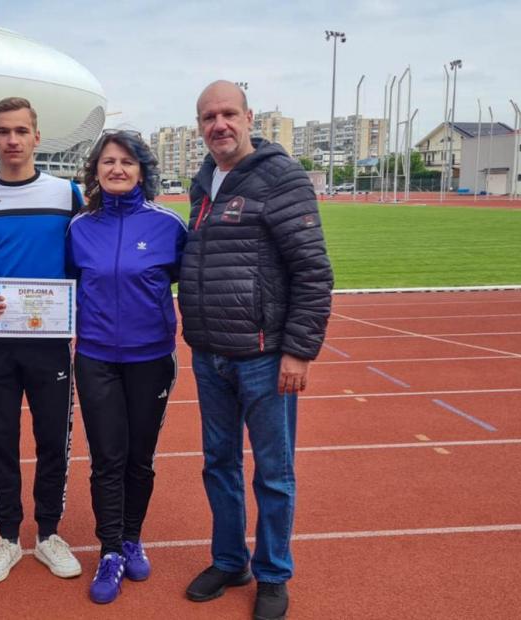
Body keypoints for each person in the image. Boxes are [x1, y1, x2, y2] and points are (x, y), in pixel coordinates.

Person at [179, 80, 334, 620]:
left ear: (249, 118)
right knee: (218, 464)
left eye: (228, 114)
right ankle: (229, 561)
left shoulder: (280, 176)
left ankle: (272, 573)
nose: (218, 124)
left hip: (265, 356)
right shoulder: (203, 183)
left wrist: (299, 351)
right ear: (199, 126)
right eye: (208, 117)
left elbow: (312, 270)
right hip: (209, 354)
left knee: (273, 472)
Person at [0, 97, 83, 584]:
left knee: (53, 440)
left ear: (37, 137)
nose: (13, 140)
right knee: (0, 439)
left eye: (21, 131)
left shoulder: (67, 194)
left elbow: (85, 257)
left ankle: (48, 533)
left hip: (50, 341)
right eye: (3, 131)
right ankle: (7, 536)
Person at [66, 131, 187, 604]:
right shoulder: (79, 227)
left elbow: (185, 280)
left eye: (127, 161)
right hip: (96, 358)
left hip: (151, 360)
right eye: (108, 161)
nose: (117, 168)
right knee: (106, 459)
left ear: (142, 170)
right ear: (95, 170)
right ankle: (111, 550)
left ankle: (132, 537)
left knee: (140, 458)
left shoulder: (168, 225)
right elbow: (67, 282)